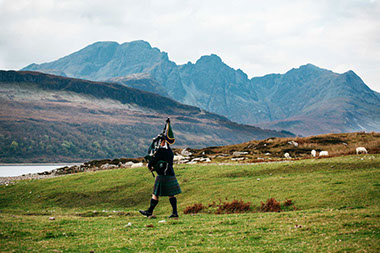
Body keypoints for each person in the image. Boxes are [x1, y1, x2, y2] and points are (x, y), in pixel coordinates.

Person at [139, 137, 182, 218]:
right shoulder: (170, 151)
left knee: (155, 194)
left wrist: (150, 165)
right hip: (170, 173)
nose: (160, 143)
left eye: (161, 141)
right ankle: (175, 213)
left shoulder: (161, 150)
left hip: (162, 175)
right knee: (171, 194)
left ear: (163, 142)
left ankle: (149, 211)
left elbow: (155, 159)